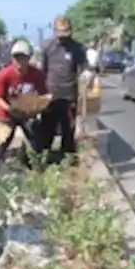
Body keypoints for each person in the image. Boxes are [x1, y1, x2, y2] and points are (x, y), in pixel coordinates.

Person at [0, 39, 48, 174]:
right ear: (12, 58)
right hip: (8, 112)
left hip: (26, 112)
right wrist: (10, 109)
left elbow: (43, 94)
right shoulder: (3, 75)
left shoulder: (37, 74)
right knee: (1, 142)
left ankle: (37, 169)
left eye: (23, 58)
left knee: (35, 141)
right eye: (16, 58)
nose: (20, 62)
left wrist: (38, 108)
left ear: (29, 58)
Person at [40, 16, 89, 162]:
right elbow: (43, 70)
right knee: (48, 128)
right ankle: (44, 158)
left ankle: (67, 159)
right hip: (51, 95)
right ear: (54, 32)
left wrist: (87, 73)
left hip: (69, 95)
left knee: (68, 128)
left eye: (65, 34)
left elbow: (84, 65)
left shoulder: (78, 48)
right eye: (60, 35)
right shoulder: (47, 47)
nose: (63, 39)